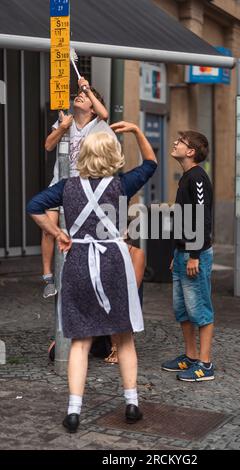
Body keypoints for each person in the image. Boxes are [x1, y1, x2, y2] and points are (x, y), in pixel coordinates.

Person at [27, 122, 157, 432]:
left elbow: (34, 206)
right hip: (113, 260)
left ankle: (73, 411)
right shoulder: (121, 185)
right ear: (113, 155)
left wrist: (58, 232)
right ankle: (132, 403)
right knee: (123, 337)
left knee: (80, 341)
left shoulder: (67, 187)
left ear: (83, 155)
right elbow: (151, 164)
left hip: (78, 262)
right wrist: (138, 132)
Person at [42, 76, 113, 299]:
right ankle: (47, 277)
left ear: (91, 107)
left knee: (76, 232)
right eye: (79, 95)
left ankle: (78, 276)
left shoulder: (97, 124)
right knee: (48, 227)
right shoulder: (66, 120)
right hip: (59, 183)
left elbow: (105, 114)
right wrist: (62, 128)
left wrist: (87, 87)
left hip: (83, 186)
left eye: (84, 96)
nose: (79, 96)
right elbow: (48, 145)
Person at [161, 131, 215, 382]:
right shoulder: (186, 178)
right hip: (183, 253)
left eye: (180, 141)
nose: (175, 142)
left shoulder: (198, 178)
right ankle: (190, 356)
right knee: (182, 309)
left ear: (191, 151)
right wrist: (178, 252)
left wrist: (193, 254)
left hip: (196, 255)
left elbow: (202, 218)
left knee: (200, 309)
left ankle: (205, 364)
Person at [104, 236, 145, 364]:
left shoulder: (137, 254)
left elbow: (132, 289)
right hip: (101, 315)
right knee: (54, 351)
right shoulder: (105, 253)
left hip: (122, 307)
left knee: (118, 299)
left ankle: (117, 346)